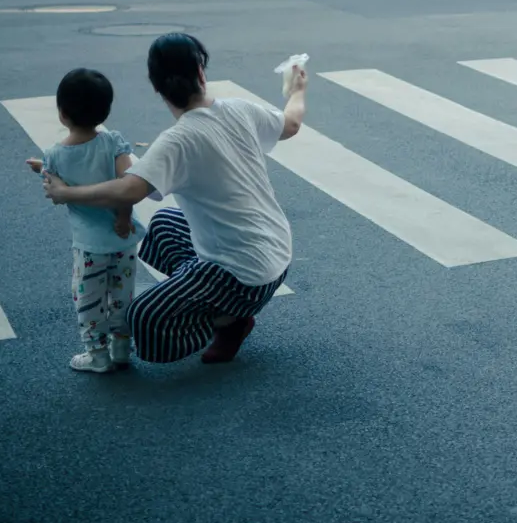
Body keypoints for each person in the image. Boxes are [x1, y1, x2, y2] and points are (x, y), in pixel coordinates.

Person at [41, 35, 308, 366]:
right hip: (277, 256)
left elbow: (128, 191)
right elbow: (291, 124)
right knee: (164, 225)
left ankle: (227, 320)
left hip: (243, 276)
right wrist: (297, 90)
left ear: (157, 88)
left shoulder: (177, 141)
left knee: (143, 320)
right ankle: (218, 303)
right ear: (201, 73)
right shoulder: (239, 109)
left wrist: (65, 193)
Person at [26, 69, 146, 374]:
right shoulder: (113, 142)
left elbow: (55, 186)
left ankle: (97, 354)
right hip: (123, 239)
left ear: (62, 113)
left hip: (89, 246)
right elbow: (127, 181)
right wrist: (123, 217)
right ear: (105, 111)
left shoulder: (55, 155)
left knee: (89, 299)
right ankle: (122, 347)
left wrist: (42, 167)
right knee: (122, 295)